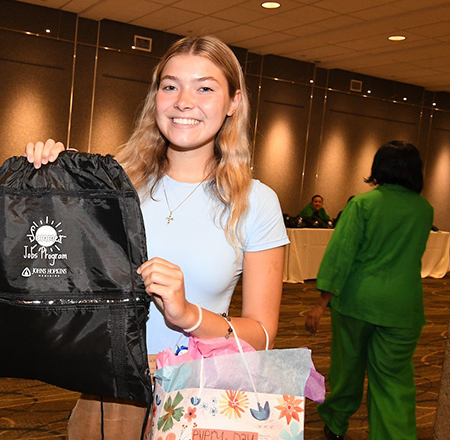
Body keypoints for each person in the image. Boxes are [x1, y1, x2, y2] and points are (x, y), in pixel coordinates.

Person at [25, 35, 289, 438]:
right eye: (170, 86)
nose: (184, 100)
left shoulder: (256, 202)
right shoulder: (113, 182)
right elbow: (54, 271)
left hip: (200, 394)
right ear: (156, 97)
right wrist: (53, 177)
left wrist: (189, 315)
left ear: (234, 102)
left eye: (204, 87)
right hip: (112, 390)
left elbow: (264, 335)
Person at [305, 141, 433, 440]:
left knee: (347, 369)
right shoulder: (424, 210)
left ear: (379, 167)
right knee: (394, 382)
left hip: (357, 303)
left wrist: (322, 303)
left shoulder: (363, 204)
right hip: (403, 307)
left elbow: (340, 256)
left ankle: (336, 423)